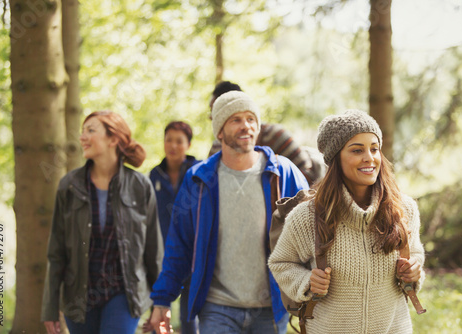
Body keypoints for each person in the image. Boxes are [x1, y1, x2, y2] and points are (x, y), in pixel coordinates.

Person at [143, 91, 309, 334]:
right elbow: (179, 245)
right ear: (219, 130)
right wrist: (162, 300)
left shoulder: (282, 173)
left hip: (270, 307)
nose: (246, 126)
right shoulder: (199, 179)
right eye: (236, 120)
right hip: (217, 308)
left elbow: (310, 231)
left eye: (251, 119)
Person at [268, 109, 426, 333]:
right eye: (357, 150)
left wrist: (413, 271)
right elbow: (281, 263)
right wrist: (306, 282)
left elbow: (415, 253)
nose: (369, 158)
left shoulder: (404, 209)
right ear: (335, 158)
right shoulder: (307, 216)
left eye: (374, 149)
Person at [41, 111, 164, 334]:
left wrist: (161, 304)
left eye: (91, 130)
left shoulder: (140, 186)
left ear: (113, 139)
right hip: (78, 296)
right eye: (82, 131)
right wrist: (50, 309)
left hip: (124, 293)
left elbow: (153, 252)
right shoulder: (69, 186)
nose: (82, 137)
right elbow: (56, 252)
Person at [207, 81, 326, 185]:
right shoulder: (216, 149)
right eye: (235, 120)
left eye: (214, 110)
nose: (211, 117)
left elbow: (307, 172)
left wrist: (278, 196)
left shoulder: (275, 136)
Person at [149, 121, 200, 334]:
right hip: (161, 254)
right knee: (158, 313)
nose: (173, 145)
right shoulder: (154, 175)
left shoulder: (199, 172)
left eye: (179, 141)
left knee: (189, 319)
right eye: (169, 139)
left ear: (188, 145)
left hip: (193, 253)